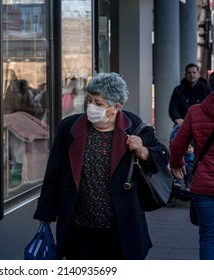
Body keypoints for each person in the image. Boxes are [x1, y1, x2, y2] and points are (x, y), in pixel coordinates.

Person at [33, 72, 170, 260]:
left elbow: (162, 156)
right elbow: (54, 172)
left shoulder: (134, 126)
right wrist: (46, 211)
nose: (91, 107)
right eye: (89, 100)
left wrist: (142, 150)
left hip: (120, 227)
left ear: (116, 107)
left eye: (99, 104)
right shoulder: (70, 127)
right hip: (79, 227)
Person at [169, 92, 214, 260]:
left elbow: (177, 144)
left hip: (204, 185)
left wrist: (176, 164)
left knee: (209, 238)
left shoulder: (196, 112)